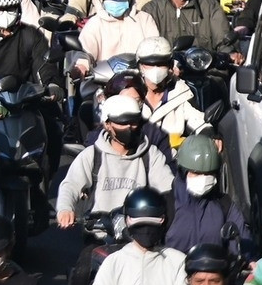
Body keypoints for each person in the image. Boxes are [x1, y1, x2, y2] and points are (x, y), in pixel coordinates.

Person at [56, 92, 175, 229]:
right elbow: (71, 185)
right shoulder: (93, 155)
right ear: (107, 124)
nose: (129, 127)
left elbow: (168, 190)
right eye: (123, 123)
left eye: (134, 122)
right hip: (100, 234)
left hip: (140, 235)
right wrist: (65, 209)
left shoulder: (150, 154)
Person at [82, 187, 187, 285]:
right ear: (127, 221)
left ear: (164, 220)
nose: (146, 229)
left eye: (154, 220)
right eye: (139, 221)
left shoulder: (178, 262)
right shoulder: (114, 262)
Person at [165, 134, 249, 264]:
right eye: (197, 173)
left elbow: (243, 246)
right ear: (183, 172)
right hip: (172, 280)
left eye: (209, 173)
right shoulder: (166, 205)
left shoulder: (225, 206)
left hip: (214, 279)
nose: (203, 178)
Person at [80, 0, 151, 61]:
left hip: (141, 74)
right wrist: (82, 65)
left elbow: (156, 50)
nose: (116, 3)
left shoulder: (145, 20)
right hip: (104, 75)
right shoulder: (94, 24)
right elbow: (85, 52)